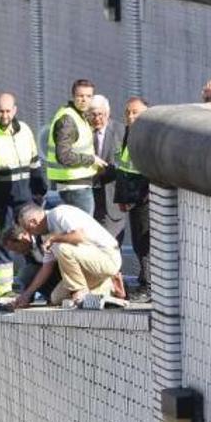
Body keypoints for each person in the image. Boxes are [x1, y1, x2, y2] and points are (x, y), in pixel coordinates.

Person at [0, 92, 47, 300]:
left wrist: (40, 194)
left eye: (8, 110)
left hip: (26, 200)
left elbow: (35, 165)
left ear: (15, 110)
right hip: (0, 203)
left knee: (33, 243)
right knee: (1, 245)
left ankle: (34, 288)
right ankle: (3, 291)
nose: (4, 115)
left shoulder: (25, 131)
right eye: (1, 111)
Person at [15, 203, 122, 307]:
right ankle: (108, 287)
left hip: (107, 257)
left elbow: (79, 237)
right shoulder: (45, 235)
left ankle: (80, 290)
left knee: (63, 248)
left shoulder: (60, 213)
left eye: (28, 229)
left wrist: (55, 238)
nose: (30, 234)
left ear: (33, 222)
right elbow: (46, 268)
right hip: (89, 269)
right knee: (56, 298)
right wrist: (26, 295)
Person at [46, 79, 105, 216]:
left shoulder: (78, 116)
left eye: (89, 96)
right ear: (73, 96)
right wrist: (91, 160)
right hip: (74, 187)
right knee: (82, 232)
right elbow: (63, 156)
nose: (84, 100)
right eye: (80, 96)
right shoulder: (68, 119)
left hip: (76, 185)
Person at [114, 97, 151, 302]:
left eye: (135, 112)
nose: (130, 116)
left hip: (145, 199)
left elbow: (151, 170)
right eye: (128, 112)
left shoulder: (147, 135)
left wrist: (142, 196)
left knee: (145, 244)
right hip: (134, 199)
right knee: (138, 243)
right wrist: (122, 197)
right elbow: (125, 169)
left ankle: (149, 286)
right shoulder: (130, 134)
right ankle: (144, 280)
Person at [87, 95, 126, 243]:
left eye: (100, 114)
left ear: (107, 113)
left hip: (112, 200)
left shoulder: (120, 132)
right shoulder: (84, 133)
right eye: (92, 114)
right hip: (90, 199)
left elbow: (122, 164)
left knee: (111, 246)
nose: (96, 118)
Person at [1, 226, 60, 307]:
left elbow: (48, 267)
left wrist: (28, 293)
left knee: (27, 272)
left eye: (15, 248)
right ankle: (21, 299)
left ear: (22, 237)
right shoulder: (27, 251)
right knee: (25, 274)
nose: (17, 253)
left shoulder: (43, 239)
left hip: (64, 276)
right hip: (50, 280)